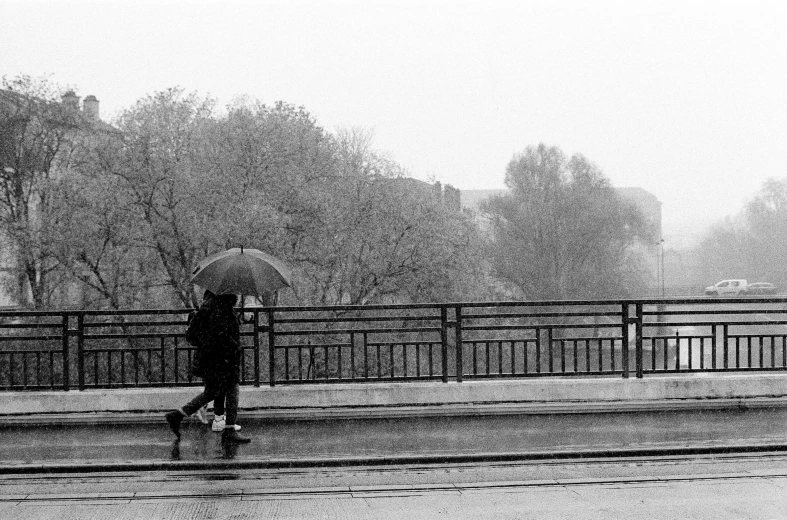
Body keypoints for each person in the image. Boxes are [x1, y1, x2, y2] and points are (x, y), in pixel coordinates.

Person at [165, 293, 250, 443]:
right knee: (232, 390)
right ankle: (229, 429)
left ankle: (178, 415)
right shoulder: (221, 308)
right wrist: (234, 345)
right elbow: (220, 333)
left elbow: (212, 332)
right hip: (222, 358)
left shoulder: (211, 306)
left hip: (211, 358)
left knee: (211, 392)